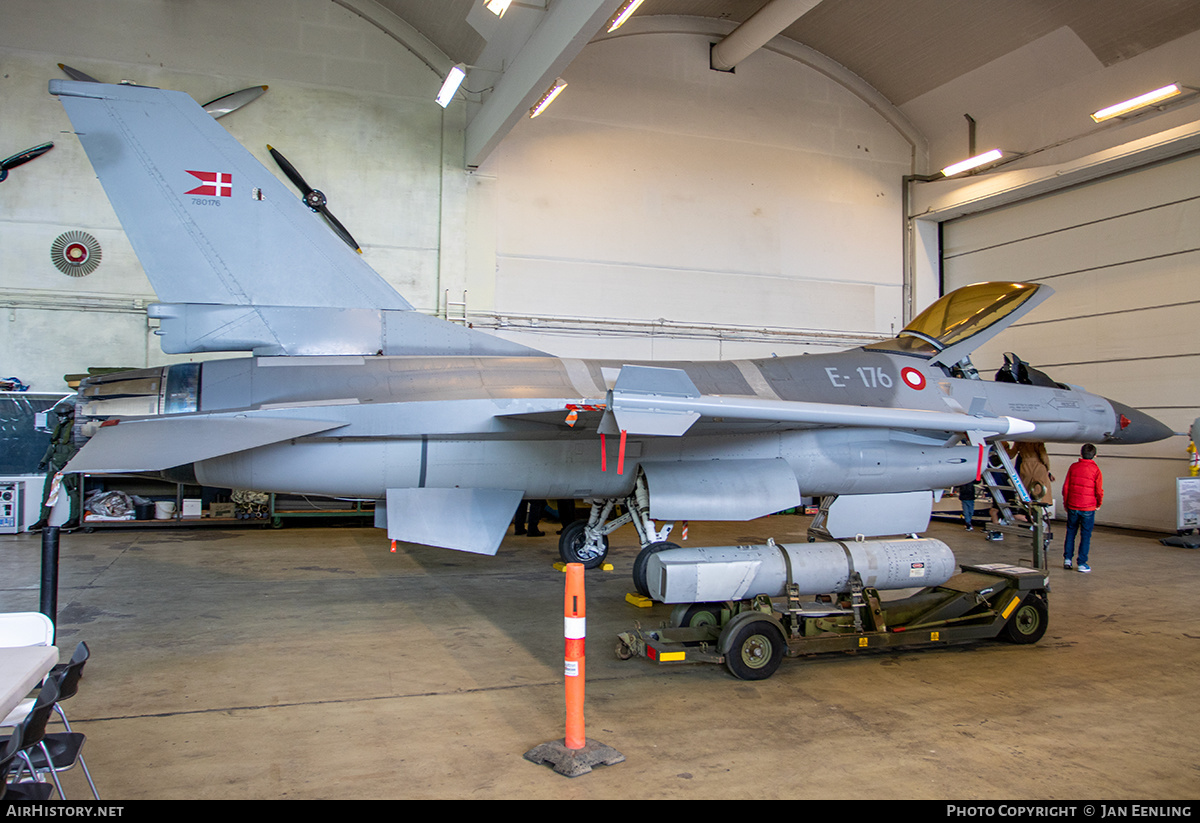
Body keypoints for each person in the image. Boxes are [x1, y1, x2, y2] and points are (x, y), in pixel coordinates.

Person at [30, 402, 81, 531]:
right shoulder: (58, 428)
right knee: (47, 492)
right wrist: (44, 460)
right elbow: (52, 446)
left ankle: (74, 518)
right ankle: (43, 519)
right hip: (55, 463)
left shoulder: (76, 428)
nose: (60, 417)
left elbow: (78, 447)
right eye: (59, 415)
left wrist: (69, 461)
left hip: (69, 465)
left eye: (63, 415)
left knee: (73, 491)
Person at [1062, 444, 1103, 573]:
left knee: (1071, 532)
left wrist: (1066, 503)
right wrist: (1098, 504)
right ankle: (1082, 563)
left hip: (1073, 506)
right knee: (1085, 535)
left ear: (1081, 454)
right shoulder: (1096, 470)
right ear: (1095, 456)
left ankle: (1067, 559)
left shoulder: (1073, 467)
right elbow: (1099, 490)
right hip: (1088, 508)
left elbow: (1066, 487)